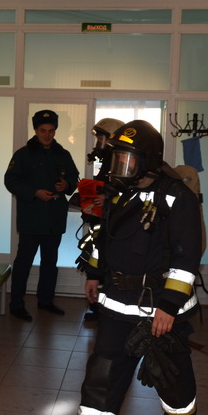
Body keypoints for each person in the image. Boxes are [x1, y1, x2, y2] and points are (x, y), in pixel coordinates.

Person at [49, 120, 202, 415]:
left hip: (160, 306)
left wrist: (169, 306)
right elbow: (105, 238)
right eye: (117, 159)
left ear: (148, 160)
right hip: (118, 303)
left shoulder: (177, 197)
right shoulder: (118, 193)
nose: (120, 167)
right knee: (104, 370)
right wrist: (94, 273)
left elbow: (186, 257)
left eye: (128, 160)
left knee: (169, 371)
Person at [4, 109, 80, 321]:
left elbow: (74, 178)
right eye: (43, 130)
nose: (47, 135)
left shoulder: (63, 154)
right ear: (36, 131)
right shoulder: (23, 154)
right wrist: (34, 192)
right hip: (31, 218)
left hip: (54, 218)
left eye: (51, 130)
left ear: (55, 131)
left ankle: (46, 301)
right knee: (24, 262)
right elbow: (10, 181)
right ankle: (16, 304)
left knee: (50, 262)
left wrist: (67, 185)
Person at [76, 117, 124, 322]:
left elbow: (126, 193)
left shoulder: (121, 163)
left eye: (101, 138)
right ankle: (98, 308)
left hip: (113, 226)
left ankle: (104, 309)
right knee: (98, 263)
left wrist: (107, 198)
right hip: (102, 221)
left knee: (107, 266)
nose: (98, 143)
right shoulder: (108, 162)